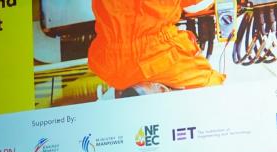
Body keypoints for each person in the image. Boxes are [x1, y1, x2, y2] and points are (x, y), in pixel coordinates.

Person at [88, 0, 225, 97]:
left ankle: (148, 90)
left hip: (110, 58)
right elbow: (196, 6)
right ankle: (151, 89)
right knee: (214, 90)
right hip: (157, 53)